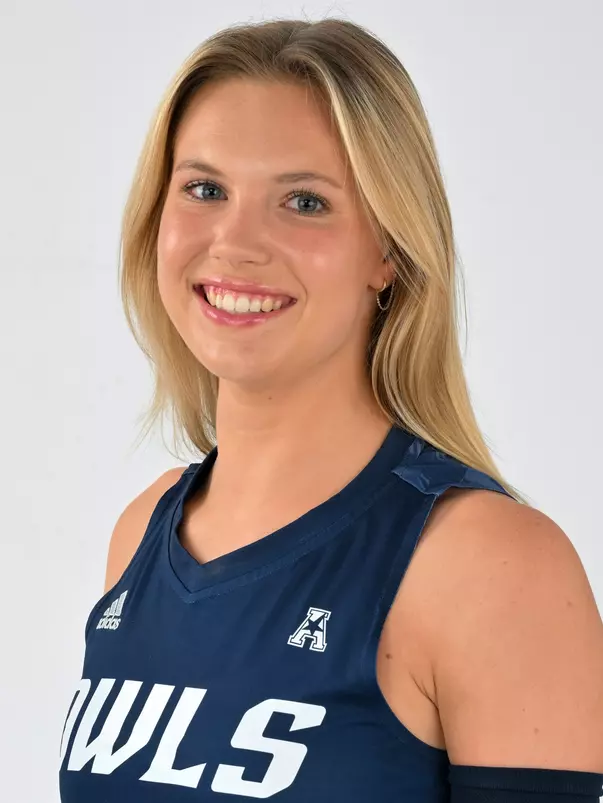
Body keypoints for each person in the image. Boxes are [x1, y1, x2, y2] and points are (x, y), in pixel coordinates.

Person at [58, 17, 603, 803]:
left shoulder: (491, 566)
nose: (235, 242)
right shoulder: (140, 534)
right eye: (204, 189)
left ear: (386, 250)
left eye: (304, 201)